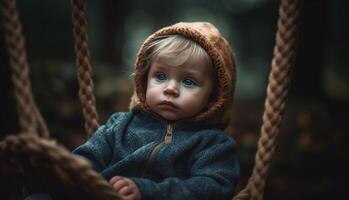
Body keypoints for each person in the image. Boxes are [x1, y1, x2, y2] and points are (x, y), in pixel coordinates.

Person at [26, 21, 239, 200]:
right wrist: (61, 175)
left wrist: (148, 191)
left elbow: (213, 187)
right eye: (161, 76)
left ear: (214, 96)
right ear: (144, 79)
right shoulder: (120, 124)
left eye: (189, 81)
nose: (171, 88)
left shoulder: (213, 143)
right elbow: (88, 159)